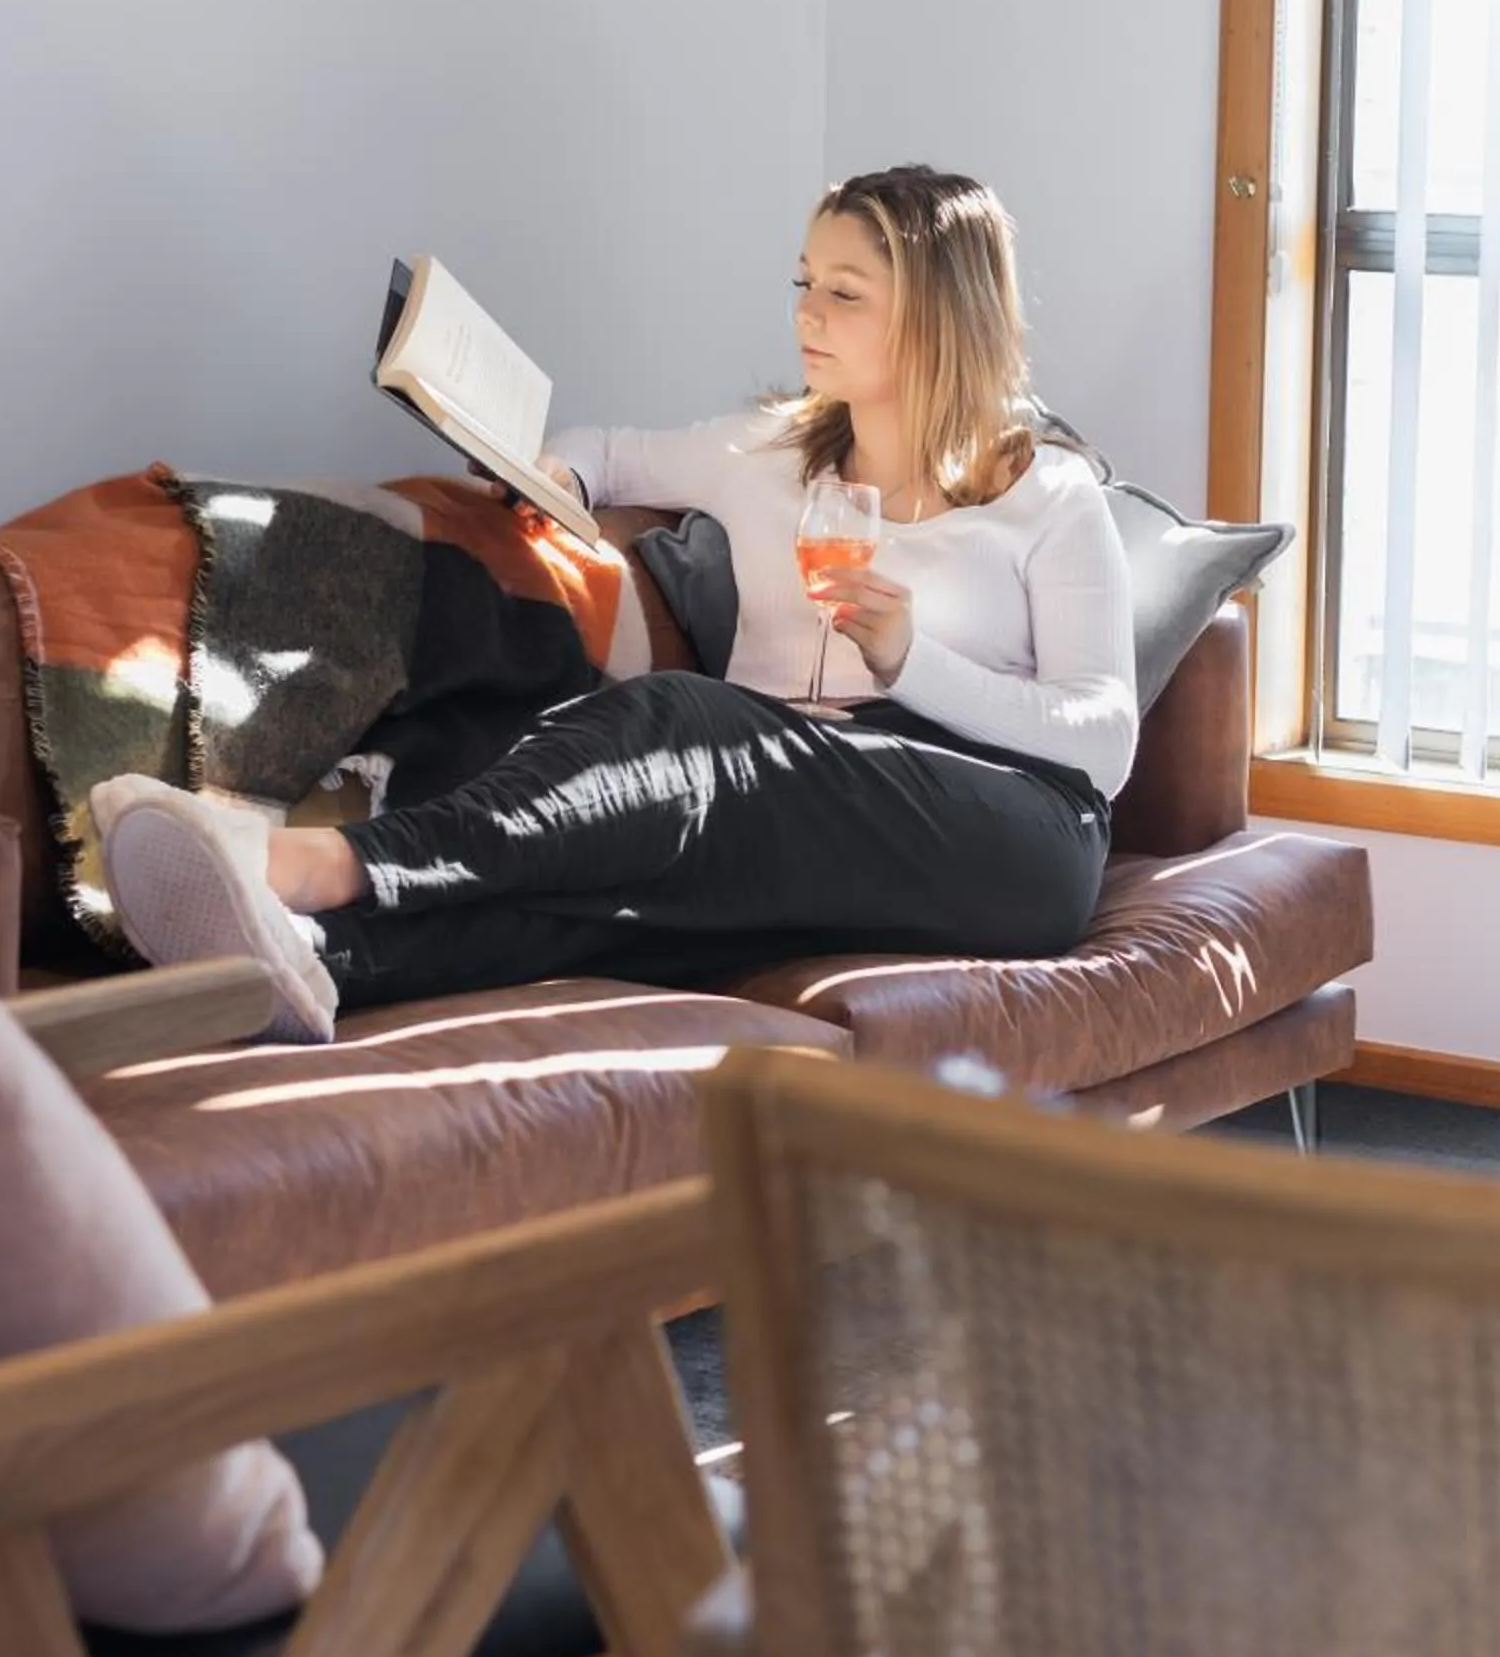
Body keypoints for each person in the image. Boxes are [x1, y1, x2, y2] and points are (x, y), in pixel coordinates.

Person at [89, 165, 1136, 1042]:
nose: (807, 312)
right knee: (615, 903)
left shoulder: (1046, 492)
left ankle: (313, 864)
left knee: (682, 715)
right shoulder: (769, 449)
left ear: (938, 314)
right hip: (774, 797)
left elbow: (1105, 741)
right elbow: (611, 451)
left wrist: (917, 661)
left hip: (1005, 828)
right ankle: (312, 965)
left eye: (846, 292)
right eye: (804, 280)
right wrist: (561, 480)